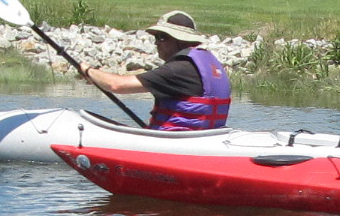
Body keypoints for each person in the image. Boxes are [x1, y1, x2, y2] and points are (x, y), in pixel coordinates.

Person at [83, 10, 232, 130]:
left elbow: (116, 85)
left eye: (161, 37)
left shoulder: (178, 70)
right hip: (203, 138)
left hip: (177, 142)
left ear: (180, 39)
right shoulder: (209, 64)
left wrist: (88, 70)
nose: (156, 43)